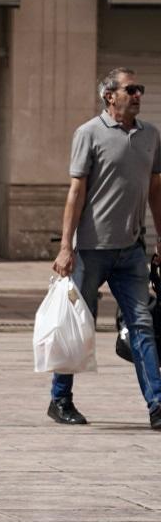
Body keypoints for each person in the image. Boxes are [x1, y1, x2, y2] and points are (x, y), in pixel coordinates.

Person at [49, 67, 161, 428]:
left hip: (132, 251)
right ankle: (60, 399)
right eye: (131, 89)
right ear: (110, 96)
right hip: (91, 250)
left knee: (142, 325)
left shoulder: (151, 136)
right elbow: (76, 192)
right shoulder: (89, 133)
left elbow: (156, 191)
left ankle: (158, 405)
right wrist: (66, 246)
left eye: (140, 89)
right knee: (78, 326)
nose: (138, 95)